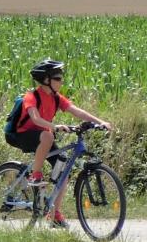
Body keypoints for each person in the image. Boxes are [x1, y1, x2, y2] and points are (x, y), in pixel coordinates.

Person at [11, 59, 111, 229]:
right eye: (58, 78)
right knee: (48, 136)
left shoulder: (56, 98)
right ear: (46, 80)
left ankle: (54, 214)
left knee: (63, 172)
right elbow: (35, 119)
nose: (61, 81)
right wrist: (54, 126)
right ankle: (35, 175)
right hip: (22, 135)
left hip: (44, 137)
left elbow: (77, 111)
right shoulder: (32, 97)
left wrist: (100, 122)